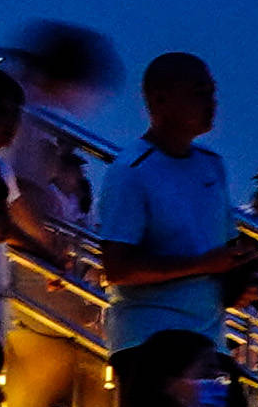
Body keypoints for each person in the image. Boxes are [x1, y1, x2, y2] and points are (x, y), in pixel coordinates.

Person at [90, 55, 244, 369]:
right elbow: (118, 267)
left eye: (211, 93)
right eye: (199, 92)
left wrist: (237, 277)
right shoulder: (132, 170)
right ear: (160, 99)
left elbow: (225, 244)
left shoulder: (211, 165)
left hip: (208, 341)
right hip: (149, 345)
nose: (211, 102)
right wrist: (203, 265)